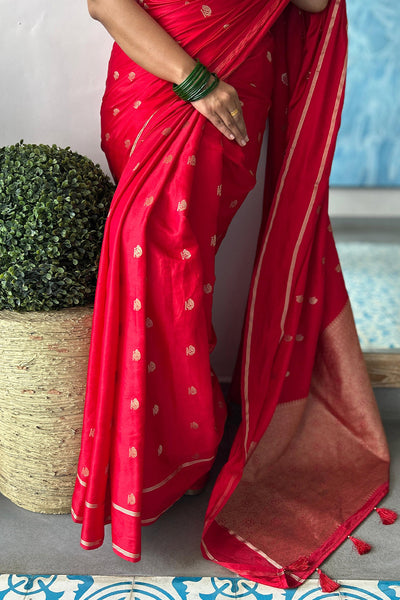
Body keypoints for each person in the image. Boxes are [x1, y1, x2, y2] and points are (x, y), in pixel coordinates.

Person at [72, 0, 391, 588]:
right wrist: (195, 82)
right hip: (159, 85)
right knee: (150, 257)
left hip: (235, 85)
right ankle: (162, 452)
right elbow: (105, 2)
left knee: (180, 279)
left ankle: (183, 450)